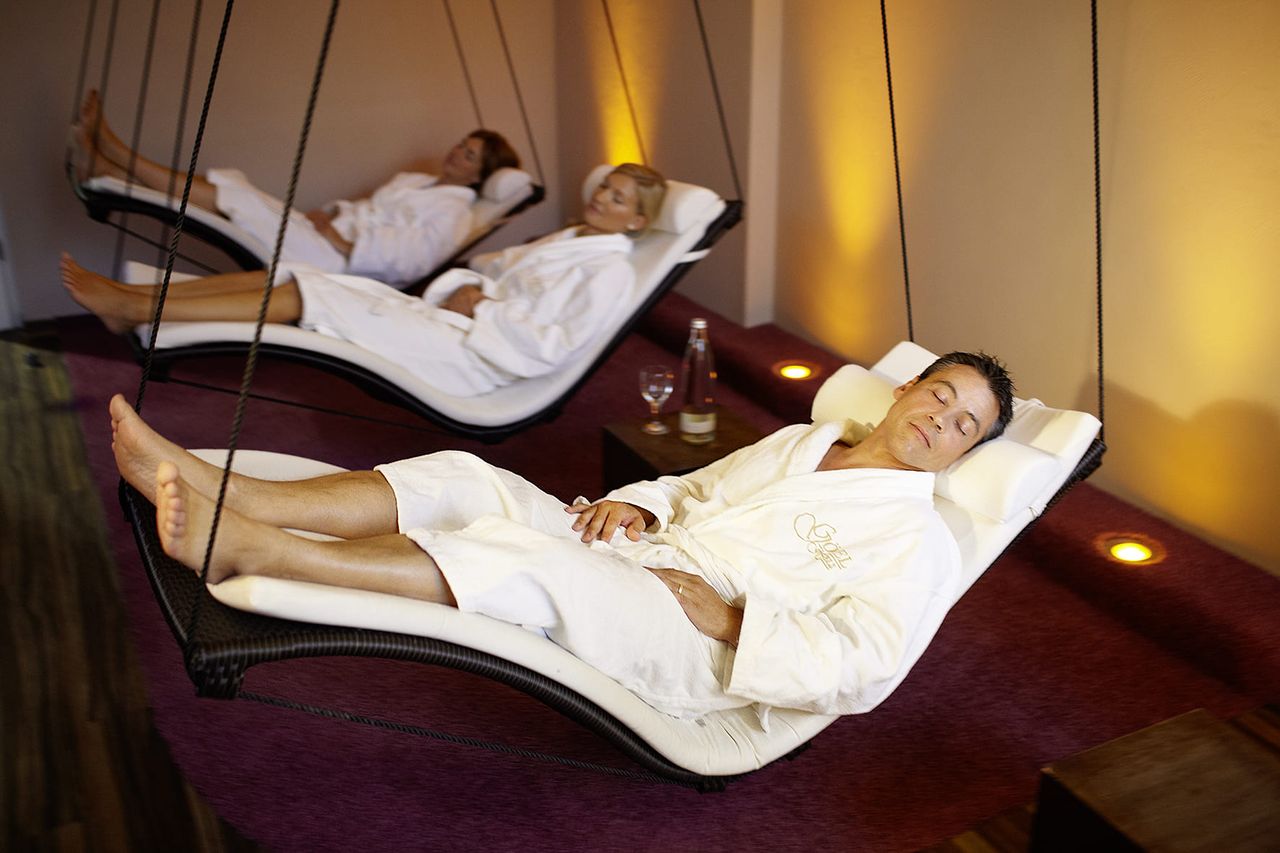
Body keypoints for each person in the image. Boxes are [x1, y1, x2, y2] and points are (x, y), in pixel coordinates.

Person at [110, 351, 1015, 719]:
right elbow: (693, 486)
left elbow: (867, 666)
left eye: (965, 424)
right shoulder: (801, 441)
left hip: (698, 641)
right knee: (468, 477)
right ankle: (232, 490)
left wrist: (736, 621)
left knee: (536, 560)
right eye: (940, 394)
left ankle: (265, 552)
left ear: (964, 451)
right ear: (905, 389)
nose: (941, 419)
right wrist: (644, 506)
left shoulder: (921, 541)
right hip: (644, 554)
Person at [63, 163, 668, 397]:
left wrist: (482, 307)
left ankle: (137, 307)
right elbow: (485, 272)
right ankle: (138, 300)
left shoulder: (611, 270)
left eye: (618, 199)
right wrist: (466, 292)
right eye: (606, 188)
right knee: (299, 275)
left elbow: (554, 346)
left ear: (637, 222)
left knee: (309, 296)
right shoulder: (570, 240)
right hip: (453, 323)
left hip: (479, 358)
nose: (602, 198)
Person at [71, 89, 521, 284]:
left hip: (337, 263)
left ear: (478, 176)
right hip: (324, 237)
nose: (456, 152)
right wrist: (334, 214)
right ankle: (109, 163)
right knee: (236, 190)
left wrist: (342, 241)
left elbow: (412, 260)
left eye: (469, 156)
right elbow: (369, 207)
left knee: (237, 198)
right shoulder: (419, 181)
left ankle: (115, 156)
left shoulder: (454, 213)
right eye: (462, 144)